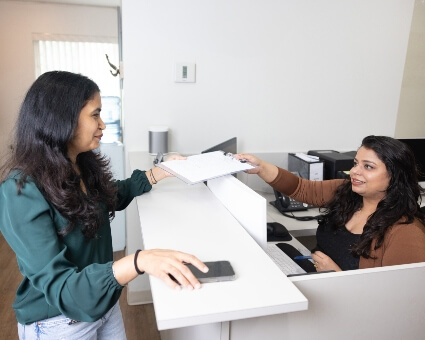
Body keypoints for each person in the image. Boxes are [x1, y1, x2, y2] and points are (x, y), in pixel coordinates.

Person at [0, 71, 208, 340]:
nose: (103, 125)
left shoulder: (79, 162)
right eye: (95, 115)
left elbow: (109, 196)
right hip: (58, 322)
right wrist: (139, 260)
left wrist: (159, 173)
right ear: (62, 118)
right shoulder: (21, 191)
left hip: (103, 300)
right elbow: (64, 289)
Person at [235, 135, 425, 272]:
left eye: (368, 167)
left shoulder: (405, 233)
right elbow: (301, 188)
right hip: (320, 282)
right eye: (356, 163)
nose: (355, 172)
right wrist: (260, 167)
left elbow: (395, 302)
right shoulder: (347, 191)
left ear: (396, 177)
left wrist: (336, 275)